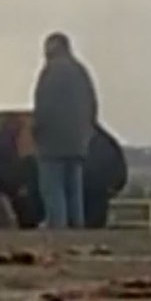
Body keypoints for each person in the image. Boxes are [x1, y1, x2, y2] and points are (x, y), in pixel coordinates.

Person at [32, 32, 98, 229]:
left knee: (52, 189)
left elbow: (43, 106)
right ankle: (77, 227)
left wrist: (37, 132)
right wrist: (87, 132)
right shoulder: (81, 71)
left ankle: (58, 229)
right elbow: (92, 104)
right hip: (78, 142)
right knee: (73, 189)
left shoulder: (50, 72)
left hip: (52, 142)